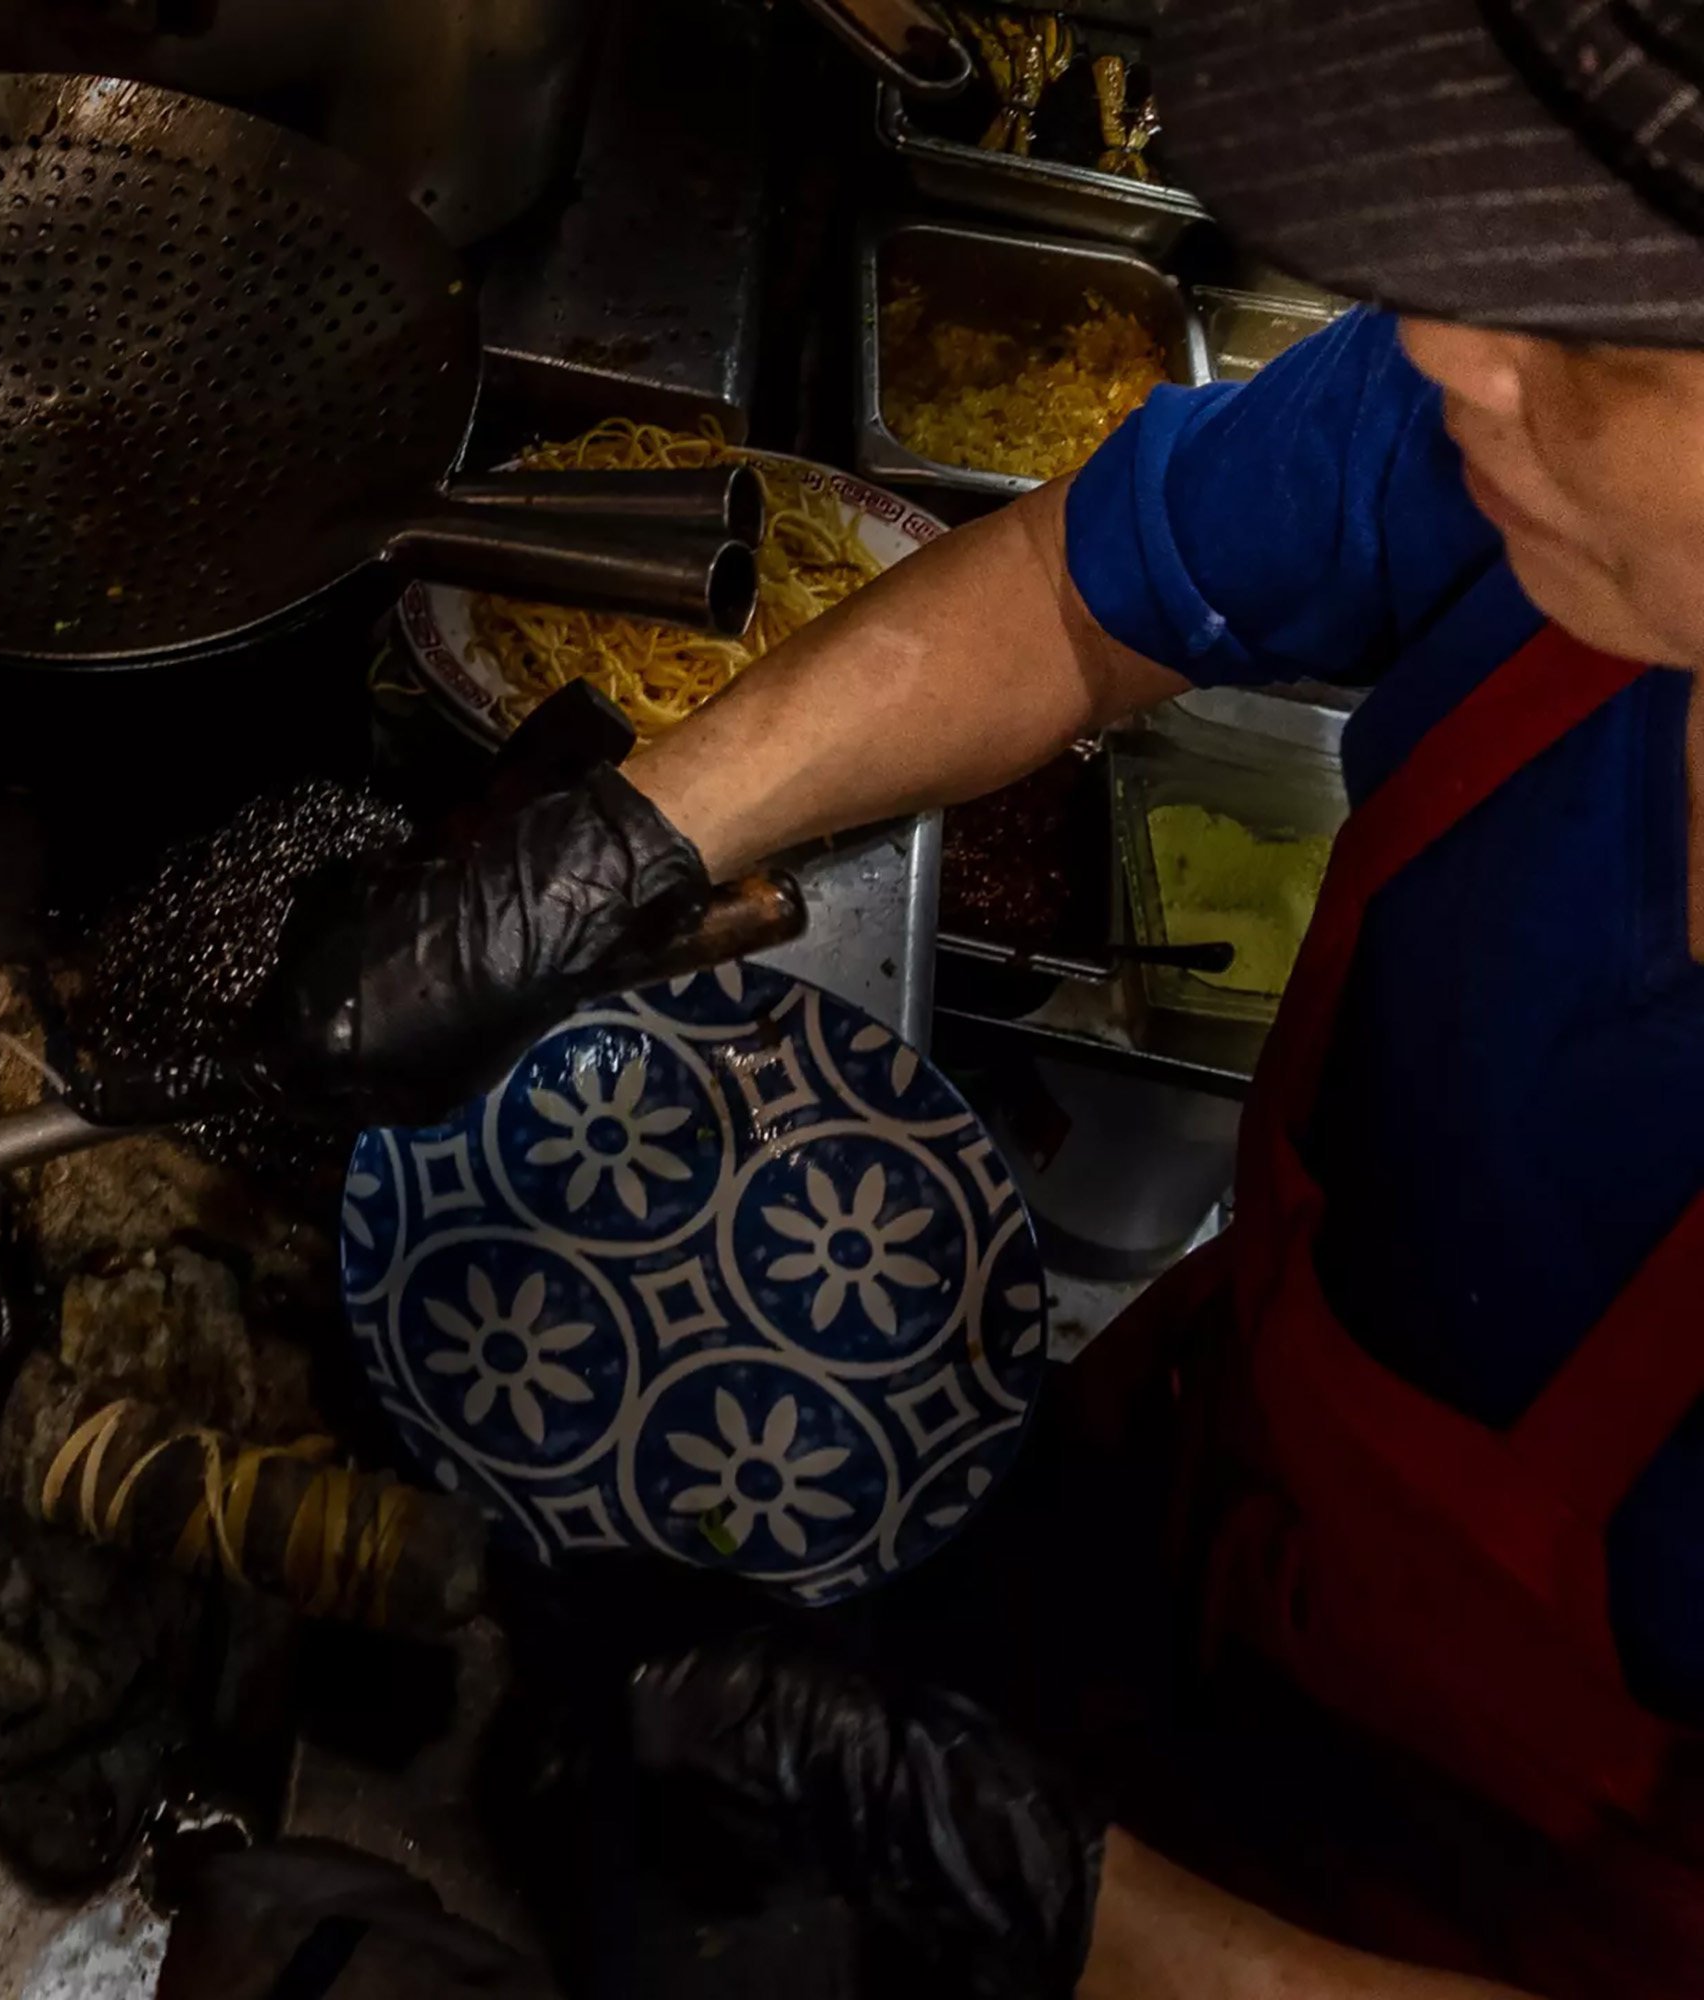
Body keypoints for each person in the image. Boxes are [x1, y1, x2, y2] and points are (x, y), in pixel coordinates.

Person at [130, 0, 1704, 1993]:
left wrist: (1052, 1897)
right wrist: (623, 844)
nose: (1439, 338)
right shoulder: (1512, 446)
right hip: (1208, 1486)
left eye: (1605, 328)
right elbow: (1090, 584)